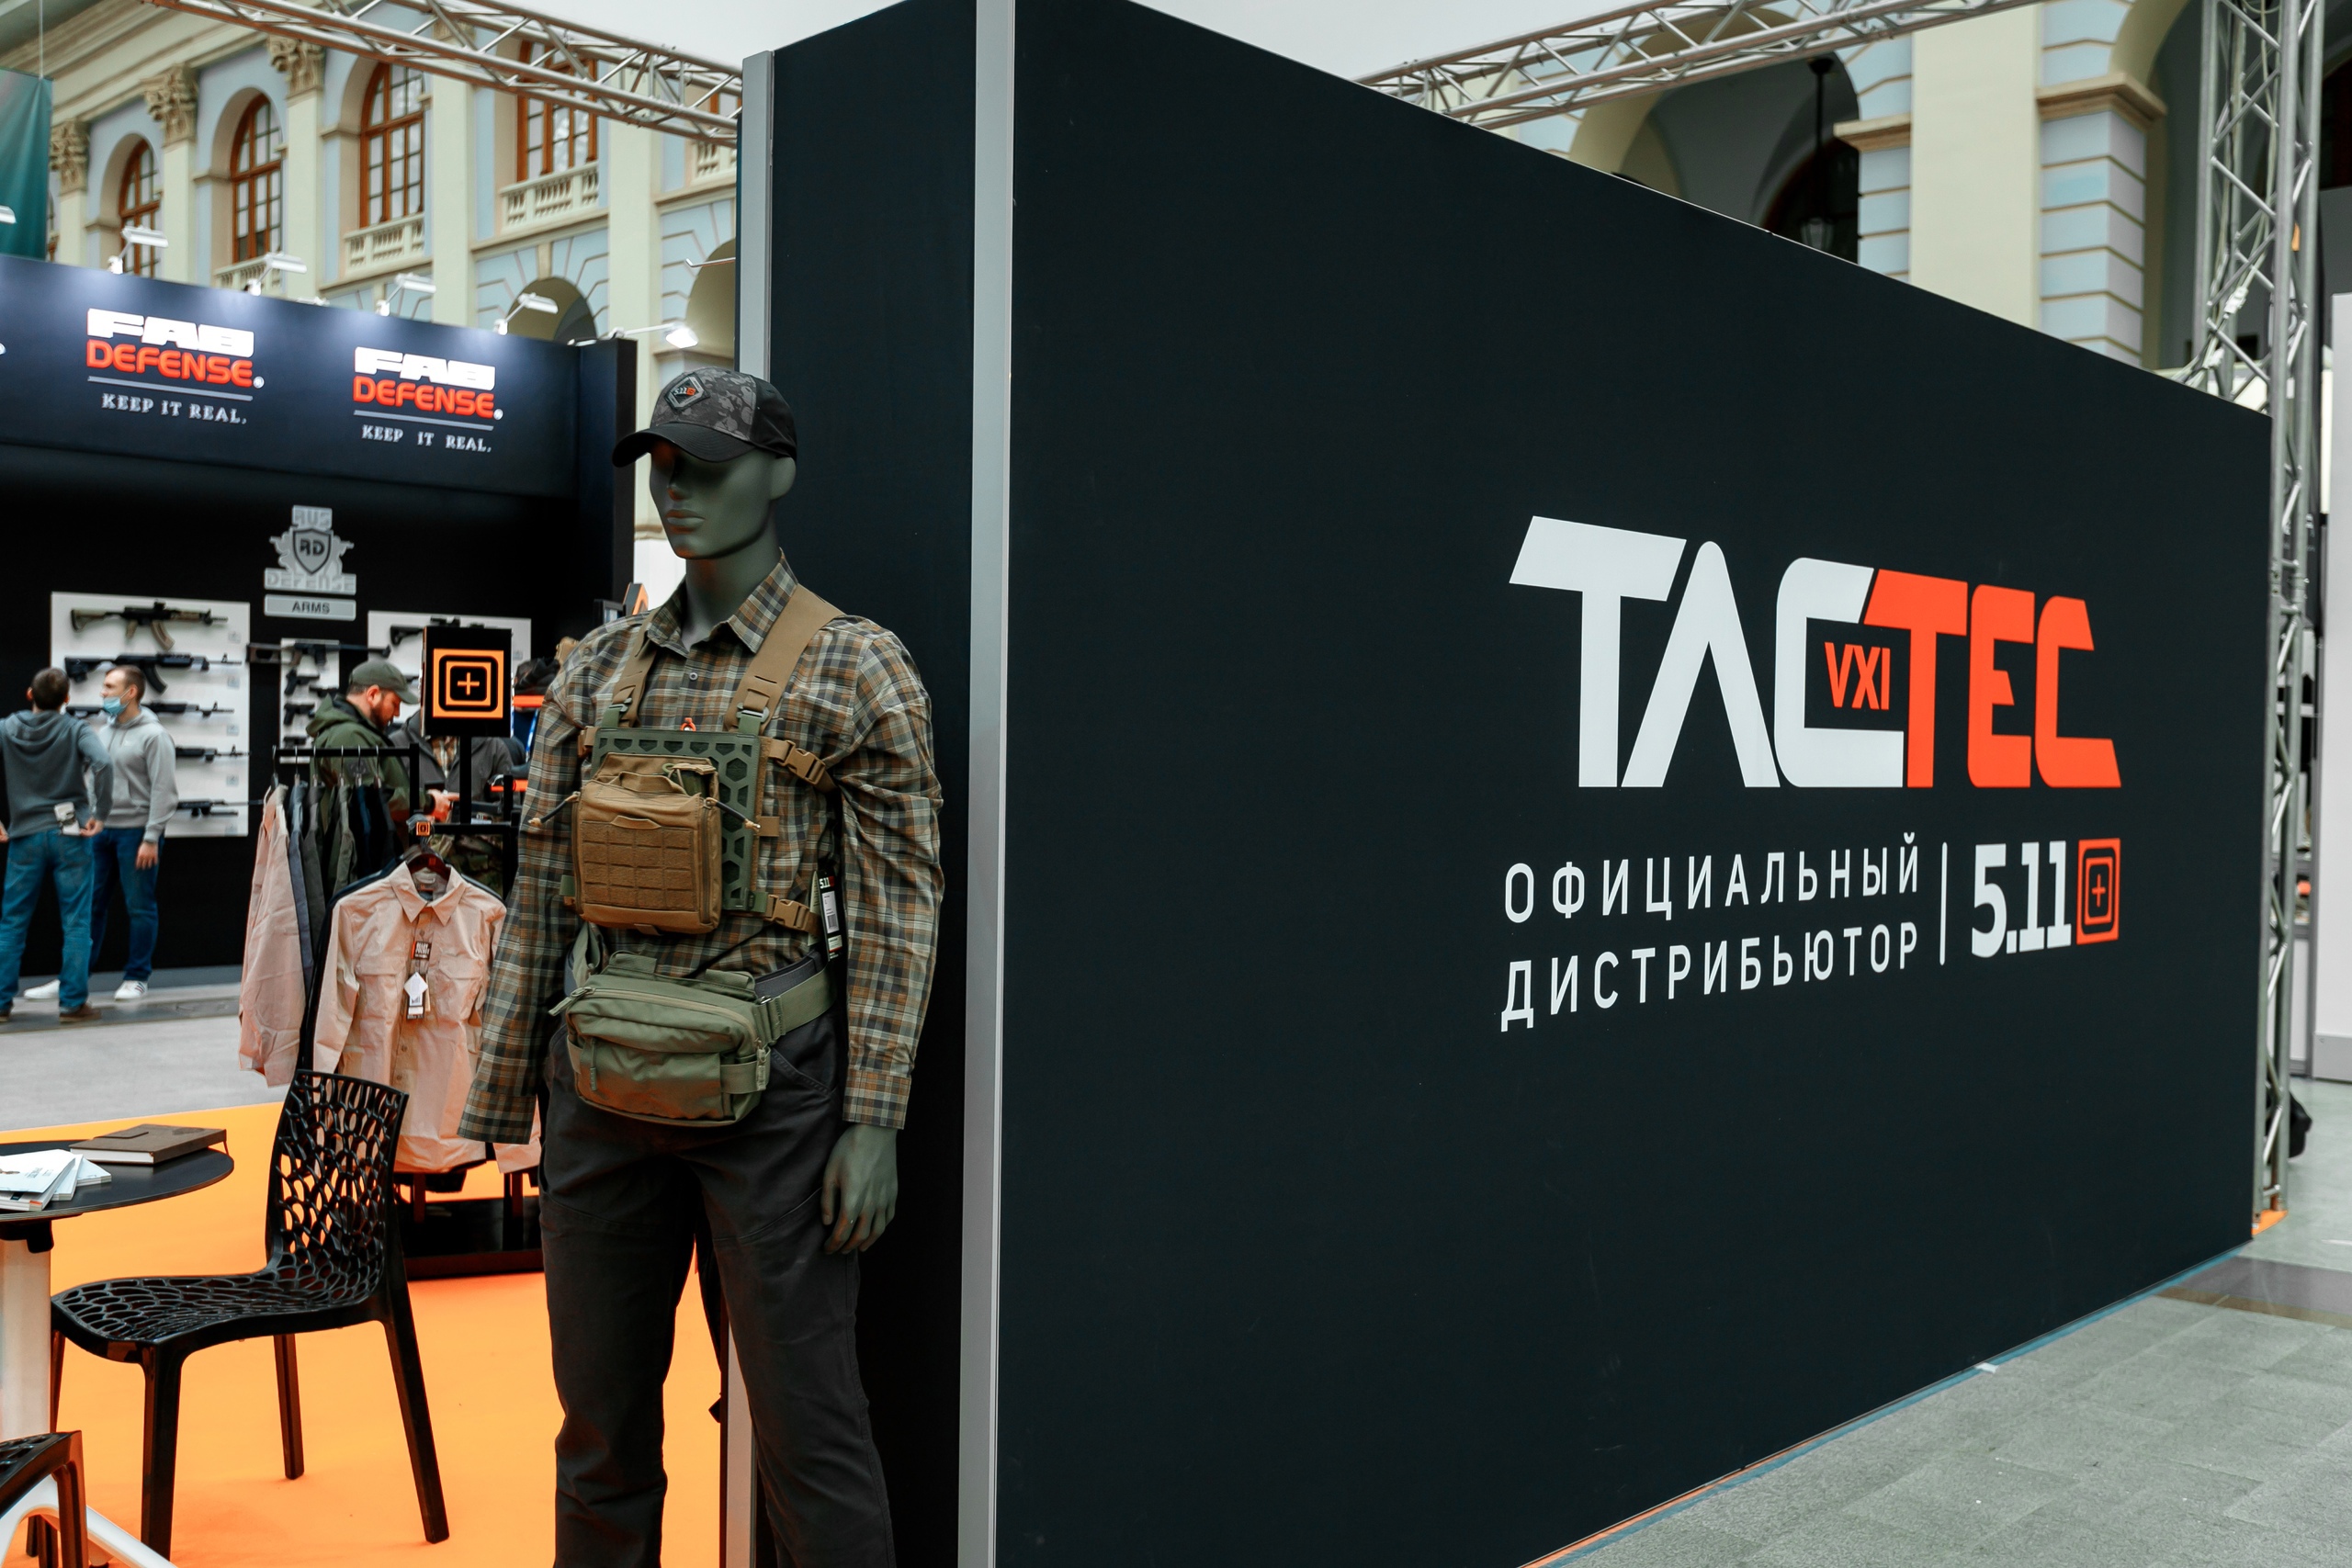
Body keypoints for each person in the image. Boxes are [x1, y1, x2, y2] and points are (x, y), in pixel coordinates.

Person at [460, 370, 943, 1565]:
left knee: (808, 1435)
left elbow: (899, 911)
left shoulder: (857, 669)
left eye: (709, 467)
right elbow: (543, 888)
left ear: (779, 472)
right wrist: (500, 1092)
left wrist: (874, 1119)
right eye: (663, 467)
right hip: (599, 1091)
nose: (678, 492)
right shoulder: (594, 670)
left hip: (775, 1103)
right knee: (599, 1438)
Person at [38, 666, 175, 1003]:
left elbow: (164, 791)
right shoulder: (104, 730)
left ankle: (137, 977)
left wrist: (151, 837)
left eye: (110, 686)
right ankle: (73, 977)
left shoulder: (154, 735)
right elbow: (92, 780)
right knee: (89, 906)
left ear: (131, 692)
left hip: (136, 835)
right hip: (101, 833)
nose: (102, 692)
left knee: (139, 907)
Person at [0, 667, 113, 1022]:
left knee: (12, 923)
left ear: (29, 694)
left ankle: (1, 1003)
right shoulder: (76, 728)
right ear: (66, 698)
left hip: (25, 833)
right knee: (77, 922)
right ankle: (73, 1003)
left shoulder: (6, 728)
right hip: (70, 832)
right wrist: (100, 813)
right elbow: (103, 762)